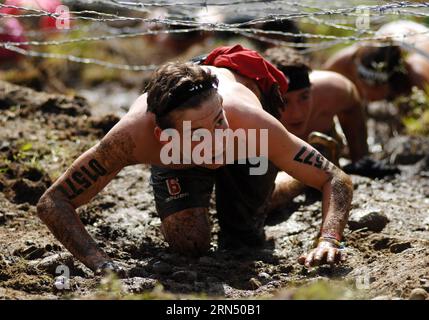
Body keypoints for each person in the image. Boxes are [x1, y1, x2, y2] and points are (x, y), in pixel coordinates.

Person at [37, 45, 353, 275]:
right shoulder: (133, 138)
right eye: (199, 132)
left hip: (248, 145)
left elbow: (335, 178)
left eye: (218, 120)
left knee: (242, 237)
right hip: (179, 158)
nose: (216, 138)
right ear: (163, 135)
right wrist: (99, 262)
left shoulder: (249, 121)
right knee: (189, 244)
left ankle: (295, 177)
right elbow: (53, 201)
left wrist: (329, 241)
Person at [264, 46, 400, 178]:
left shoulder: (334, 90)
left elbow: (352, 103)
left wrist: (359, 157)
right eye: (284, 101)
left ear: (312, 90)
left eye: (304, 97)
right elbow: (254, 186)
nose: (297, 113)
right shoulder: (253, 113)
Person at [324, 20, 429, 102]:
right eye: (363, 83)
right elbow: (325, 78)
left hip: (420, 36)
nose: (367, 93)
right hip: (391, 32)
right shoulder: (348, 59)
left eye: (376, 87)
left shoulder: (417, 74)